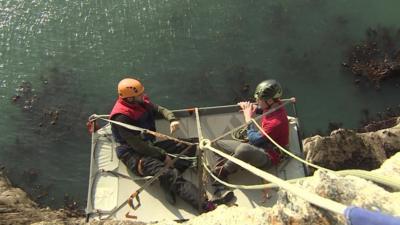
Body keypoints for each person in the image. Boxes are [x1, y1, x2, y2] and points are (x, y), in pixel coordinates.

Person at [109, 77, 228, 213]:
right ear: (130, 99)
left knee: (191, 144)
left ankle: (168, 184)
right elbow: (137, 146)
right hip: (133, 155)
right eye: (139, 94)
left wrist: (172, 119)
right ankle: (204, 205)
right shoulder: (121, 117)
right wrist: (162, 155)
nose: (143, 95)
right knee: (170, 174)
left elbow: (160, 110)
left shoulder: (140, 103)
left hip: (148, 145)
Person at [213, 79, 289, 180]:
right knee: (216, 143)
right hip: (259, 145)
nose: (257, 101)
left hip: (269, 156)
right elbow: (264, 109)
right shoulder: (275, 105)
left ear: (270, 101)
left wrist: (248, 118)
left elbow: (254, 139)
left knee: (243, 149)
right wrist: (252, 107)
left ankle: (221, 174)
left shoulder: (276, 122)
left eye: (259, 100)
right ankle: (230, 164)